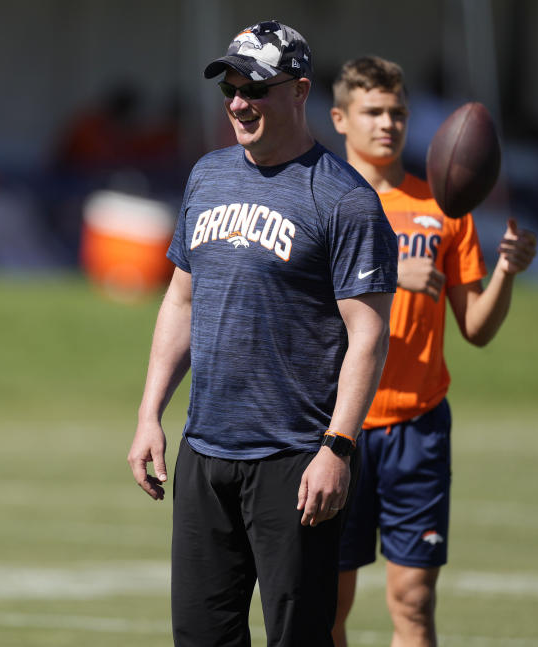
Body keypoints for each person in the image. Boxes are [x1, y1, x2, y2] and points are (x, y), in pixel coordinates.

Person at [127, 21, 399, 646]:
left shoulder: (345, 200)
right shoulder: (207, 175)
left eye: (256, 88)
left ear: (300, 91)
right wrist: (150, 415)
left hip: (296, 462)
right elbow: (181, 299)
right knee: (200, 637)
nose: (239, 103)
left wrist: (338, 447)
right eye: (230, 88)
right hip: (206, 453)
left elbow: (369, 336)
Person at [328, 56, 537, 647]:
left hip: (418, 428)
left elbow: (476, 327)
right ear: (341, 118)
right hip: (338, 428)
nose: (387, 123)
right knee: (327, 609)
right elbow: (298, 308)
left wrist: (506, 270)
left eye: (398, 112)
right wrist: (391, 273)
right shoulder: (320, 203)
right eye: (373, 111)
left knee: (413, 603)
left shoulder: (443, 208)